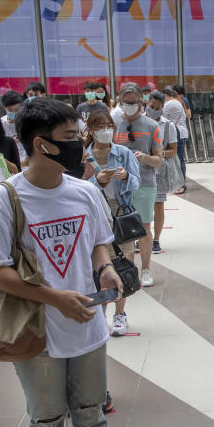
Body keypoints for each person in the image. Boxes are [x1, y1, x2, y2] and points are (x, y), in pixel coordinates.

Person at [0, 97, 122, 427]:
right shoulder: (6, 199)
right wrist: (55, 298)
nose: (81, 144)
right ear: (42, 144)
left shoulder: (86, 191)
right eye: (71, 138)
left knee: (91, 414)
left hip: (88, 328)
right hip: (38, 333)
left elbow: (99, 241)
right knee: (44, 420)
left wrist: (105, 267)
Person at [85, 111, 140, 338]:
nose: (106, 129)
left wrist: (126, 177)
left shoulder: (123, 153)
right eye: (100, 126)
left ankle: (120, 314)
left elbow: (137, 183)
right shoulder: (84, 156)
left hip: (120, 214)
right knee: (97, 268)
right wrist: (95, 182)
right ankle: (100, 314)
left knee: (122, 265)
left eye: (109, 125)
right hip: (94, 216)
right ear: (90, 129)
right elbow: (73, 186)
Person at [112, 83, 164, 288]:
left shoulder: (152, 126)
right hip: (118, 185)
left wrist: (145, 158)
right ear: (120, 102)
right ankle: (127, 270)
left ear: (141, 102)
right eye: (126, 103)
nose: (129, 106)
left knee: (143, 228)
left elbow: (159, 160)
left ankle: (146, 269)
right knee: (121, 229)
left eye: (133, 102)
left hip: (144, 183)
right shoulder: (113, 123)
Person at [147, 90, 178, 255]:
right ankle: (142, 237)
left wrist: (160, 154)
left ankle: (156, 239)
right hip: (141, 171)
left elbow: (174, 149)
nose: (153, 110)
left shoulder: (168, 125)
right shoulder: (139, 122)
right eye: (151, 106)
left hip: (159, 172)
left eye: (157, 108)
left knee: (158, 206)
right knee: (139, 206)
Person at [164, 85, 189, 189]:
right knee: (180, 159)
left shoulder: (170, 103)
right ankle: (181, 183)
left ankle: (180, 185)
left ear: (165, 96)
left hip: (177, 133)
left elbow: (160, 116)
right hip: (182, 132)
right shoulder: (179, 102)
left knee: (177, 159)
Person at [1, 91, 27, 165]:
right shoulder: (1, 123)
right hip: (9, 162)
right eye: (10, 110)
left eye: (17, 110)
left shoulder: (26, 122)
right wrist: (10, 141)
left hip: (26, 162)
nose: (14, 113)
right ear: (4, 108)